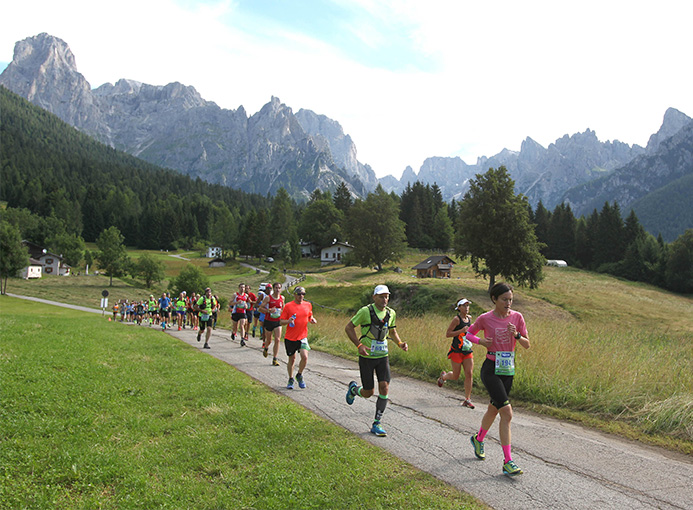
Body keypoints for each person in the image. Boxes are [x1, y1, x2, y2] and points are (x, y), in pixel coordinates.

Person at [466, 282, 530, 477]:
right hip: (491, 369)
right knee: (507, 413)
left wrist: (517, 335)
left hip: (508, 370)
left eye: (510, 299)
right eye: (504, 299)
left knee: (494, 409)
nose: (508, 303)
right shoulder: (485, 318)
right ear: (494, 299)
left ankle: (478, 439)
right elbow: (468, 334)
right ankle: (508, 461)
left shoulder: (517, 317)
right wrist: (481, 341)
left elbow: (527, 344)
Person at [344, 285, 408, 437]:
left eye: (386, 296)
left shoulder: (391, 313)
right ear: (374, 297)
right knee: (368, 392)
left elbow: (392, 331)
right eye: (381, 296)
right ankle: (354, 390)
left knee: (384, 387)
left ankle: (376, 423)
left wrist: (400, 343)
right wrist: (359, 345)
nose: (384, 299)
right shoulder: (365, 311)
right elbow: (349, 327)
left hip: (382, 356)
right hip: (367, 357)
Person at [438, 298, 475, 408]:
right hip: (456, 351)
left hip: (467, 350)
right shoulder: (456, 319)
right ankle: (443, 377)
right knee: (455, 376)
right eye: (464, 306)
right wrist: (461, 331)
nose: (467, 308)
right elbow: (448, 334)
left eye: (468, 306)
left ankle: (467, 399)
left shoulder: (469, 318)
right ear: (459, 308)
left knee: (469, 374)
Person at [280, 286, 317, 389]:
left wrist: (312, 320)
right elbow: (281, 321)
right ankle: (291, 379)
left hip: (302, 336)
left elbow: (309, 316)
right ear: (295, 295)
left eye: (303, 294)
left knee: (304, 357)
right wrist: (288, 321)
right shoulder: (288, 306)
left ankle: (299, 375)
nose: (301, 296)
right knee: (292, 359)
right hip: (290, 337)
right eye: (299, 294)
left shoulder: (308, 305)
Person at [259, 282, 284, 366]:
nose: (278, 289)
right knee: (269, 340)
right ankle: (266, 348)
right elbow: (260, 308)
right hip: (269, 321)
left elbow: (283, 309)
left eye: (279, 288)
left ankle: (274, 359)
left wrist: (282, 312)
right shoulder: (268, 298)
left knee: (277, 339)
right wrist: (269, 311)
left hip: (277, 321)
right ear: (273, 289)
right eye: (276, 288)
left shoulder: (282, 298)